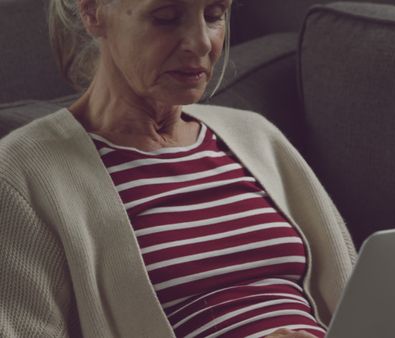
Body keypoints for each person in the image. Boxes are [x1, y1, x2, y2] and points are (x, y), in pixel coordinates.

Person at [0, 0, 356, 337]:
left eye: (214, 14)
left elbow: (362, 296)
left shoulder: (255, 135)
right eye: (166, 17)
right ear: (92, 11)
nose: (201, 43)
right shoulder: (23, 173)